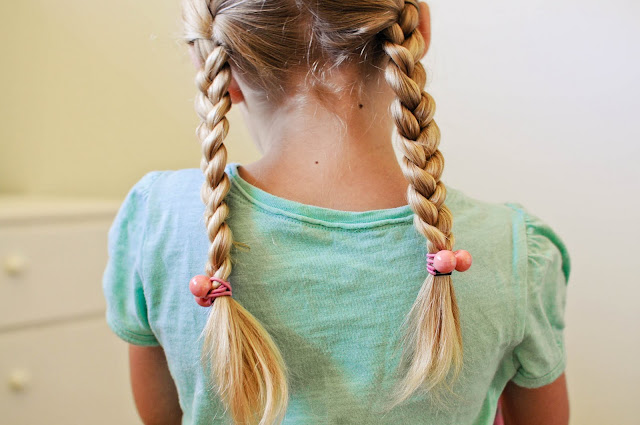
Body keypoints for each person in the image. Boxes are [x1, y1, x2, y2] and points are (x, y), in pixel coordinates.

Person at [102, 1, 572, 424]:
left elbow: (161, 415)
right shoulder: (515, 252)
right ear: (418, 31)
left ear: (211, 60)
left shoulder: (157, 217)